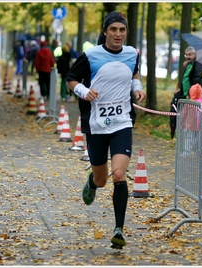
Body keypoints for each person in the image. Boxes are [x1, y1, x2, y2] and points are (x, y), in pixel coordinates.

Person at [66, 11, 146, 249]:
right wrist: (83, 91)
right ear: (105, 32)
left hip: (122, 122)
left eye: (122, 30)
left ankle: (119, 229)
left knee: (119, 174)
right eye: (113, 30)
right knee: (102, 180)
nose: (118, 34)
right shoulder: (91, 55)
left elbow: (133, 74)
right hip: (96, 124)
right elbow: (71, 78)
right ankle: (92, 182)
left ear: (126, 33)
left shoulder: (132, 54)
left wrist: (138, 88)